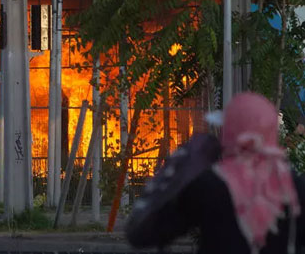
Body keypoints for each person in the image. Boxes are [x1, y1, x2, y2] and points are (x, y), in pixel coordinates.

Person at [127, 92, 305, 254]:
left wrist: (175, 171)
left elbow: (142, 234)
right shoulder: (296, 186)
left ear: (229, 133)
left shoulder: (209, 185)